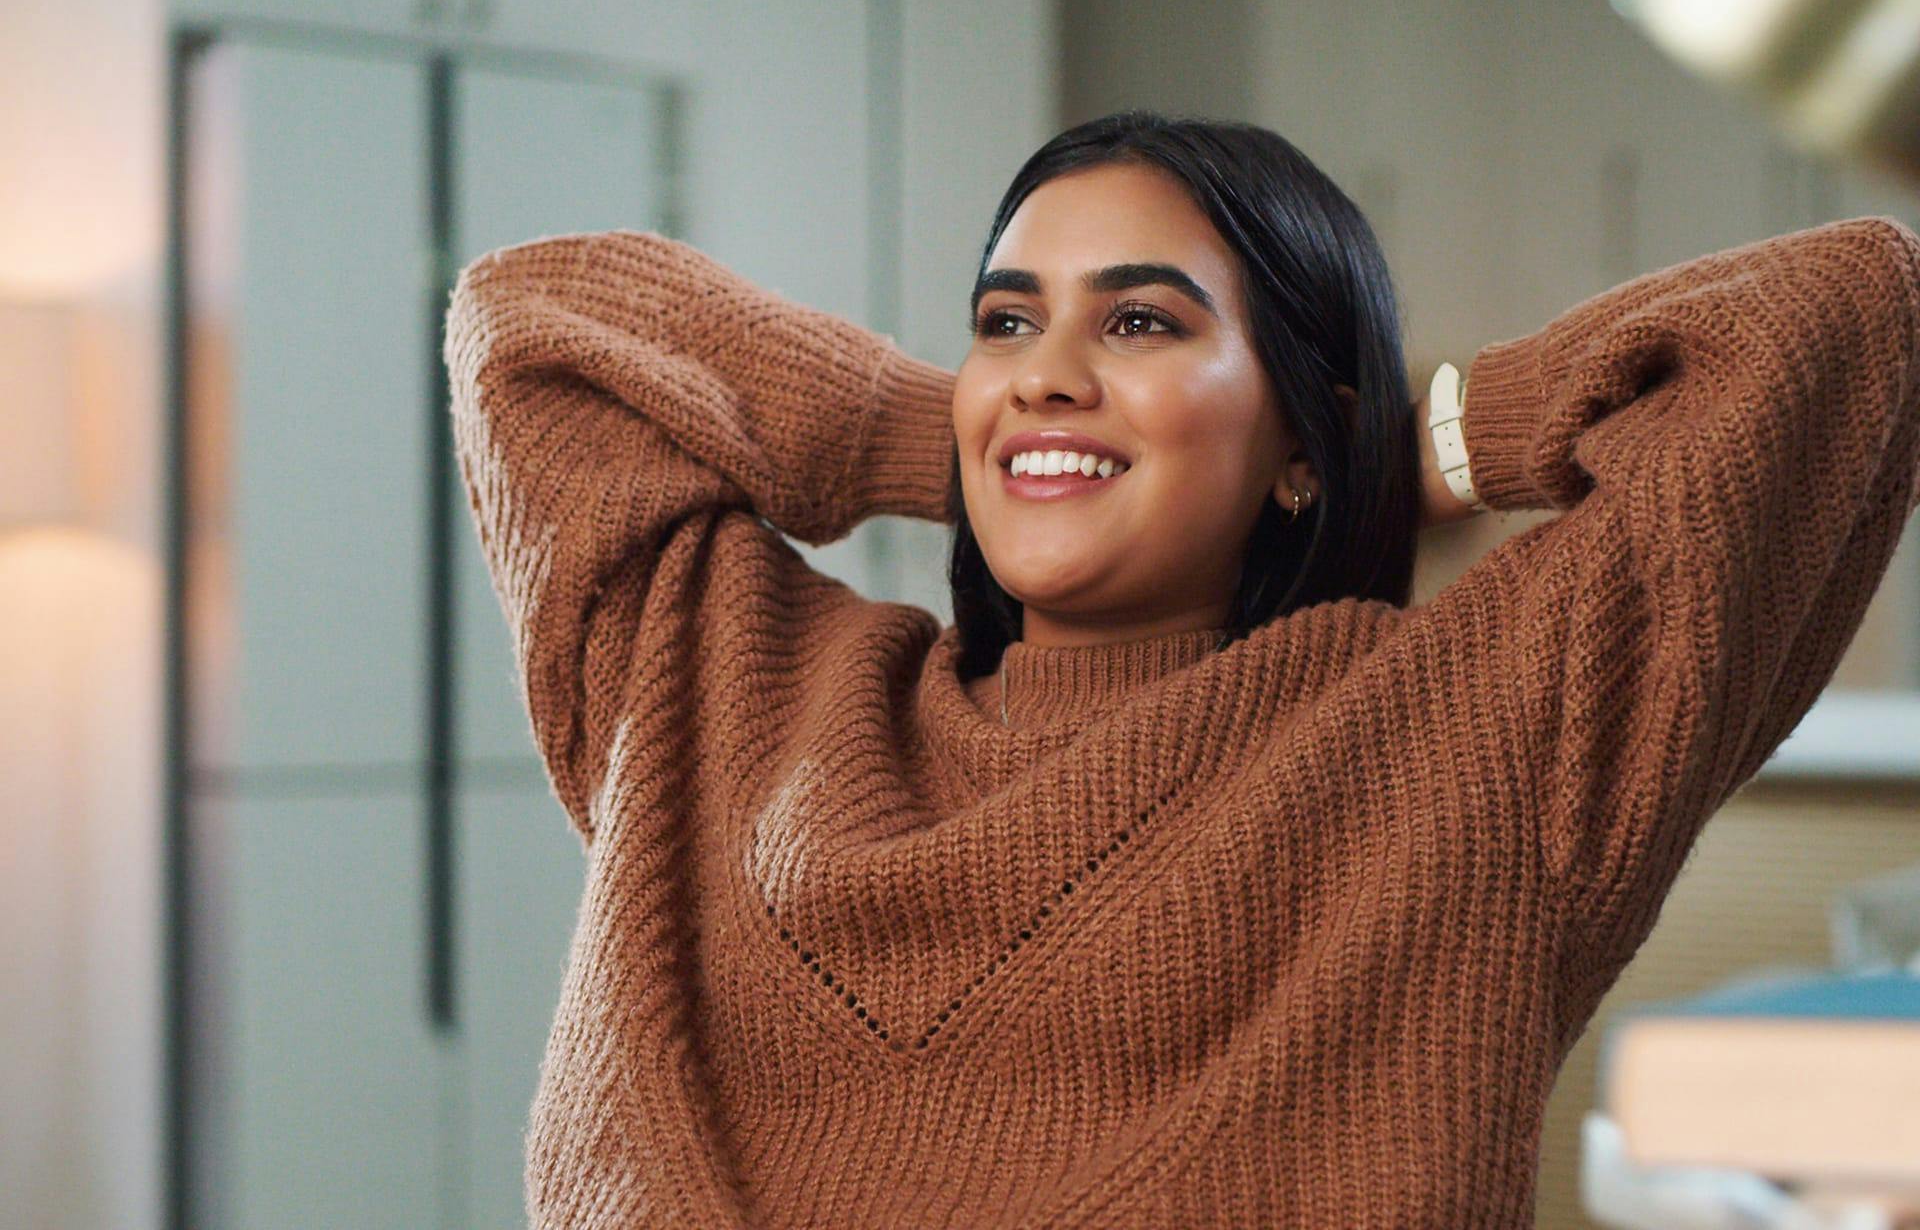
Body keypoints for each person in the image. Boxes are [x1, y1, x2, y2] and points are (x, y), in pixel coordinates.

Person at [442, 109, 1920, 1228]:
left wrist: (1407, 451)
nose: (1042, 364)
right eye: (1006, 324)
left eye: (1139, 320)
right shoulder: (732, 697)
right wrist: (979, 442)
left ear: (1297, 433)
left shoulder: (1470, 743)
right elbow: (532, 324)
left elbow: (1847, 313)